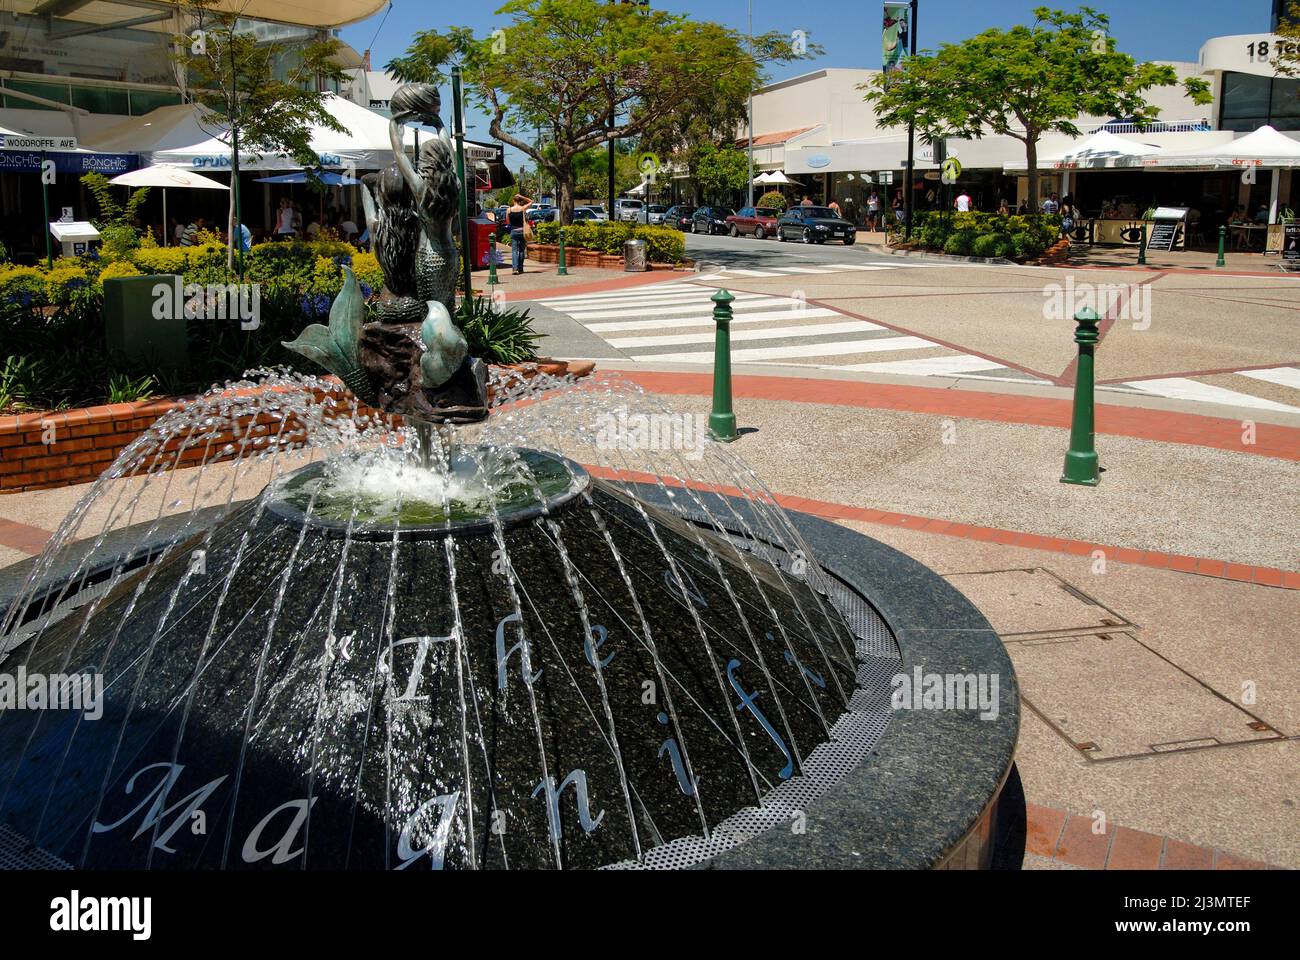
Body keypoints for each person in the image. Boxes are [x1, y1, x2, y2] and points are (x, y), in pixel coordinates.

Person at [506, 192, 534, 275]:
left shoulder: (509, 210)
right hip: (522, 231)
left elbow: (507, 222)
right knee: (521, 250)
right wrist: (522, 196)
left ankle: (515, 269)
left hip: (514, 231)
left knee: (514, 251)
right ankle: (521, 268)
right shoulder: (522, 208)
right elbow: (531, 201)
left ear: (513, 200)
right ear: (520, 200)